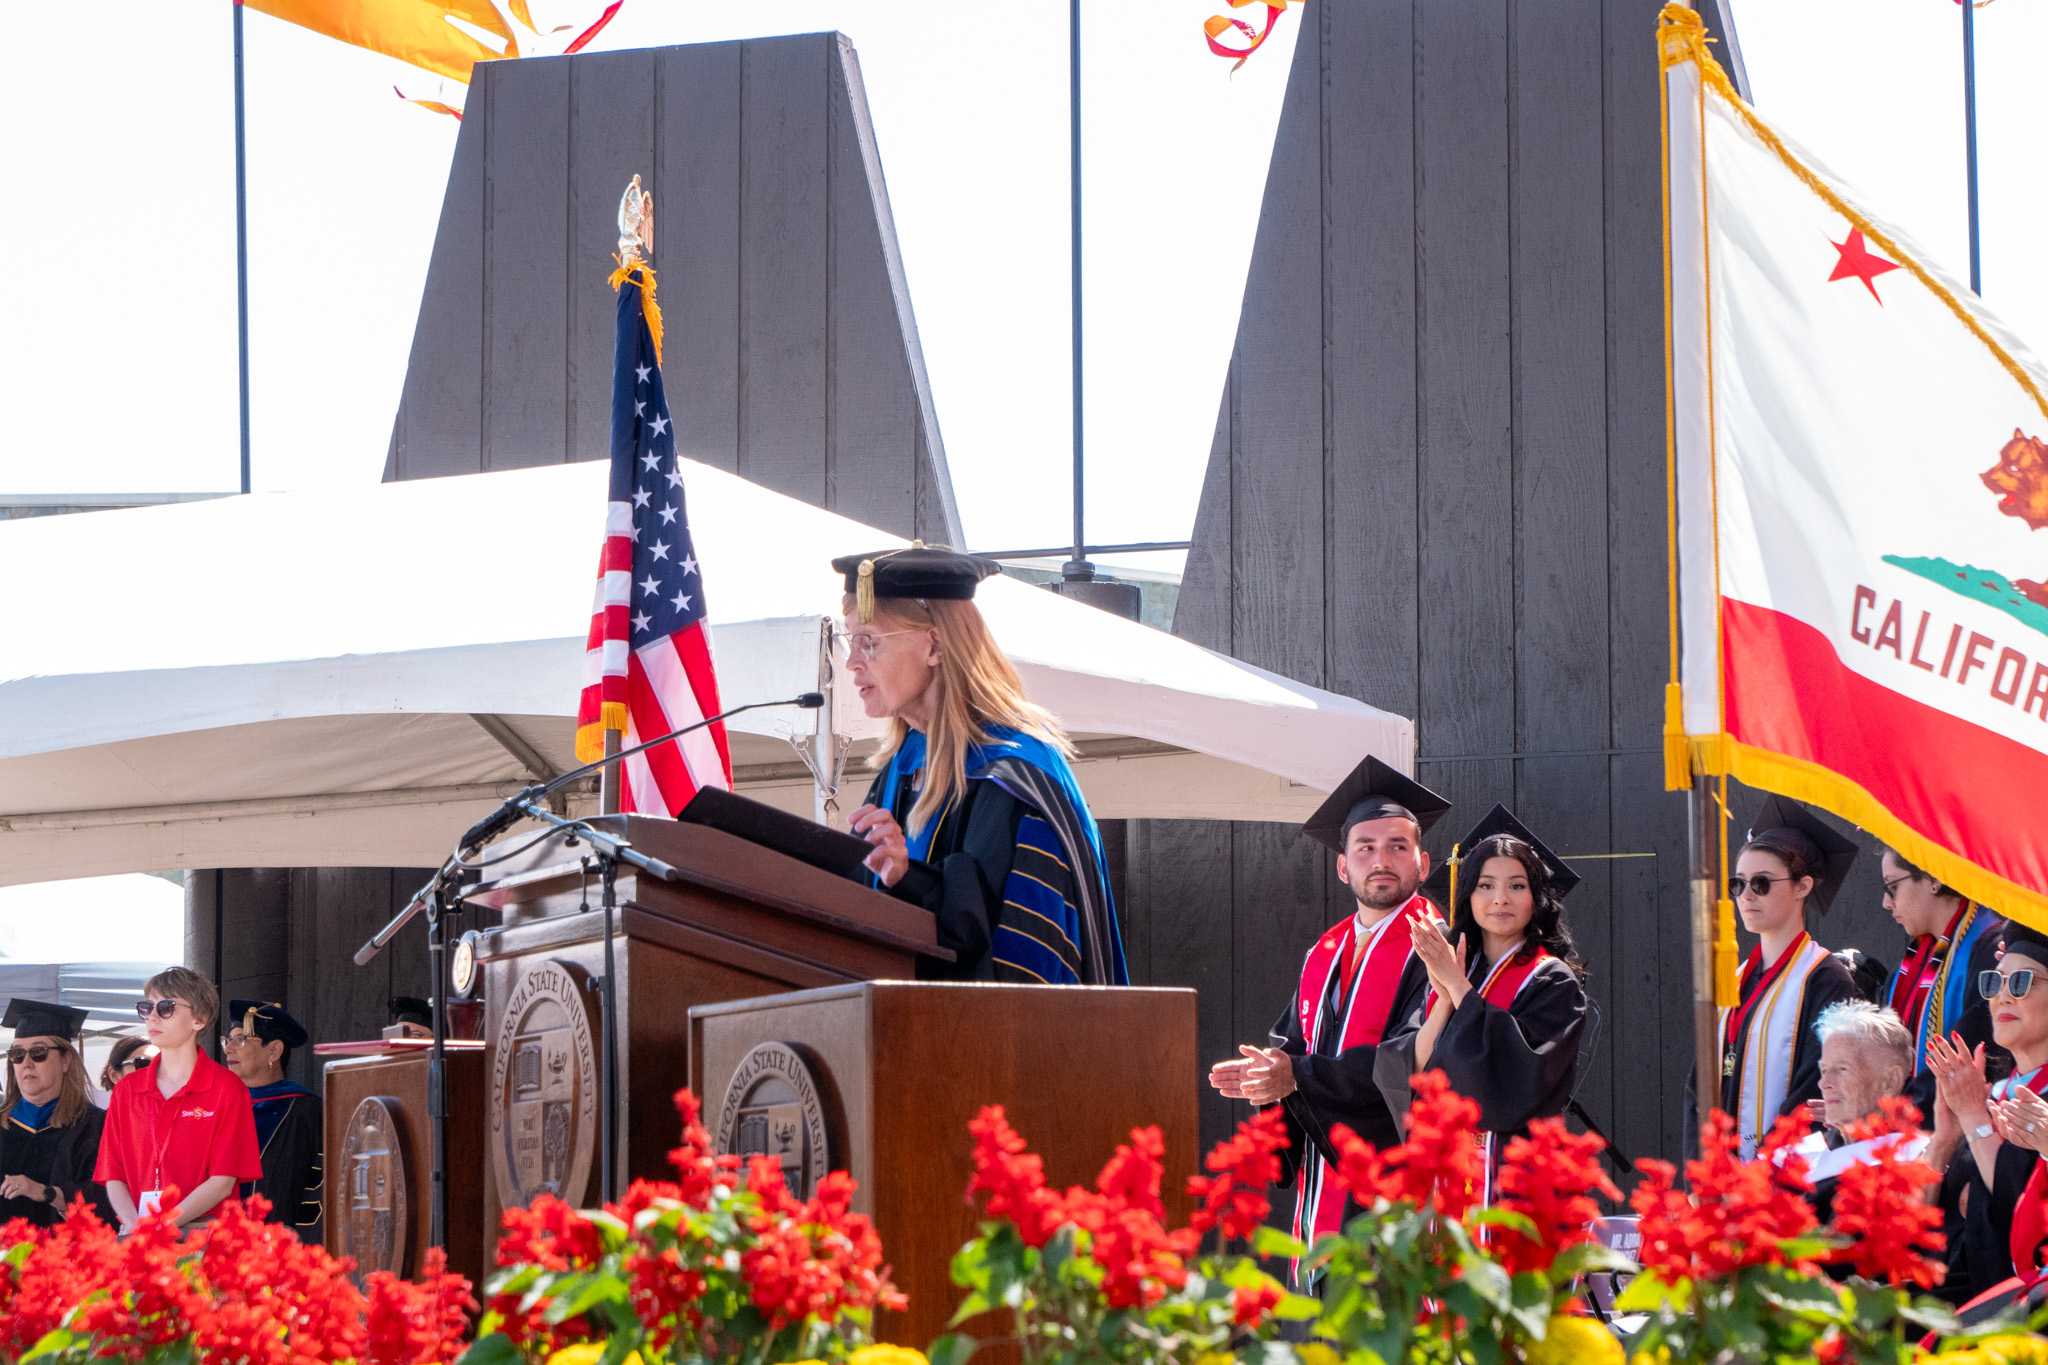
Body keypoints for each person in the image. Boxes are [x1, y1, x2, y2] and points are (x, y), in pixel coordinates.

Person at [833, 546, 1127, 985]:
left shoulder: (1015, 776)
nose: (852, 662)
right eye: (849, 640)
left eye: (869, 641)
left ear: (934, 645)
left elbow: (1020, 956)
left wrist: (907, 876)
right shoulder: (900, 771)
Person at [1207, 756, 1448, 1285]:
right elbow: (1293, 1046)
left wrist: (1297, 1075)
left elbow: (1411, 1057)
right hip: (1325, 1187)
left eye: (1397, 847)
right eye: (1365, 847)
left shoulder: (1438, 947)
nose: (1380, 860)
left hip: (1396, 1189)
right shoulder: (1324, 951)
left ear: (1423, 864)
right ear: (1343, 866)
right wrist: (1266, 1077)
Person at [1373, 804, 1589, 1209]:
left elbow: (1519, 1080)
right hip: (1445, 1178)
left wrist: (1456, 986)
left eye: (1517, 886)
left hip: (1515, 1183)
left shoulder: (1551, 980)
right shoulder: (1456, 969)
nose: (1500, 899)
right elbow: (1412, 1072)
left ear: (1536, 897)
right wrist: (1442, 995)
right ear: (1468, 894)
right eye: (1486, 885)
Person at [1707, 796, 1862, 1161]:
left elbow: (1812, 1089)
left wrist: (1762, 1172)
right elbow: (1699, 1085)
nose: (1745, 896)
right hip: (1722, 1180)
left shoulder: (1827, 979)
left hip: (1784, 1179)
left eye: (1761, 883)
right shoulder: (1737, 977)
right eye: (1738, 884)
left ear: (1802, 887)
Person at [1927, 921, 2048, 1304]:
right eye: (1995, 983)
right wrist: (1943, 1141)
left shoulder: (1987, 1104)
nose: (2002, 998)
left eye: (2022, 982)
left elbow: (2016, 1207)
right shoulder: (1992, 1093)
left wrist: (1973, 1119)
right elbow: (1933, 1227)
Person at [96, 967, 262, 1234]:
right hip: (140, 1234)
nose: (152, 1016)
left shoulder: (227, 1088)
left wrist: (161, 1224)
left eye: (165, 1007)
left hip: (205, 1237)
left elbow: (222, 1181)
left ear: (199, 1019)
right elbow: (112, 1173)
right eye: (146, 1008)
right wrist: (134, 1225)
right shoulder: (127, 1090)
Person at [1883, 846, 2007, 1118]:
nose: (1886, 902)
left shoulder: (1991, 949)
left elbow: (1969, 1046)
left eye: (1892, 887)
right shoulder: (1918, 958)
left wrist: (1895, 1114)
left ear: (1935, 878)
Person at [1780, 1001, 1922, 1225]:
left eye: (1842, 1070)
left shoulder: (1911, 1163)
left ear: (1890, 1081)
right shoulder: (1805, 1156)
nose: (1823, 1083)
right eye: (1824, 1070)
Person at [0, 999, 114, 1227]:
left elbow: (106, 1199)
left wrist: (47, 1193)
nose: (27, 1063)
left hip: (64, 1256)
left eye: (39, 1053)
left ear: (66, 1060)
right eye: (17, 1054)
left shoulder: (98, 1126)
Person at [223, 1000, 323, 1243]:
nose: (229, 1049)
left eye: (241, 1039)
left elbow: (317, 1189)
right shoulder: (219, 1107)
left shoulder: (303, 1108)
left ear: (274, 1051)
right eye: (228, 1040)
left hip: (277, 1248)